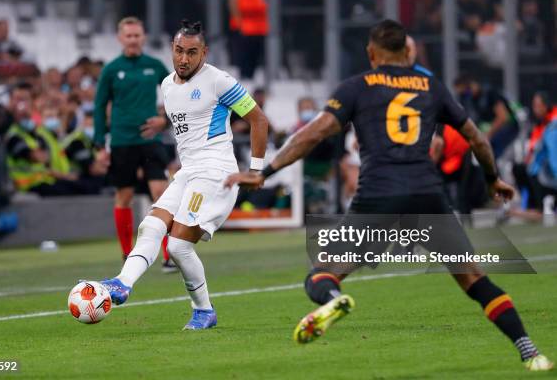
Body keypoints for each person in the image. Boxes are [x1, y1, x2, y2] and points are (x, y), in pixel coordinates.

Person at [225, 20, 553, 371]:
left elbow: (313, 134)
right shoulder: (431, 86)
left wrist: (265, 172)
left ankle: (333, 299)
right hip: (428, 197)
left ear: (371, 53)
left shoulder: (356, 87)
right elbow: (478, 139)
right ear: (406, 52)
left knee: (322, 273)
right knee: (474, 279)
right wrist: (492, 180)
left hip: (378, 198)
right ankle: (530, 351)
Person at [99, 20, 269, 330]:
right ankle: (122, 284)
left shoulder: (220, 80)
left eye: (192, 52)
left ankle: (203, 310)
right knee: (150, 225)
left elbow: (259, 120)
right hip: (189, 171)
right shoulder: (166, 85)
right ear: (172, 50)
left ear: (204, 52)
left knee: (177, 246)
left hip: (216, 172)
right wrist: (162, 123)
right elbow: (187, 116)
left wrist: (256, 170)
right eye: (179, 51)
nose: (184, 59)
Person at [93, 16, 173, 268]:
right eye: (128, 35)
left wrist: (165, 120)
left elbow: (176, 94)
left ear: (144, 37)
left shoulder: (155, 65)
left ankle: (169, 255)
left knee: (160, 195)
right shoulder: (112, 69)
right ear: (120, 38)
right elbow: (99, 106)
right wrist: (98, 144)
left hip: (150, 138)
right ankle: (127, 253)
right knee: (124, 196)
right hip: (122, 140)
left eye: (137, 35)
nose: (133, 40)